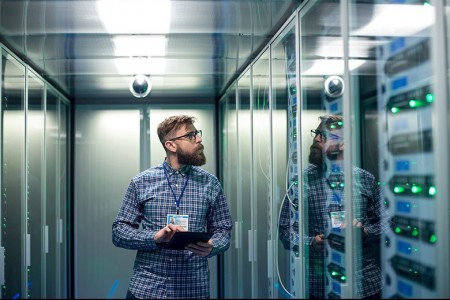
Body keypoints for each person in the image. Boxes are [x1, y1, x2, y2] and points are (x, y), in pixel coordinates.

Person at [112, 115, 233, 299]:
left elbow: (223, 230)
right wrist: (154, 237)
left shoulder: (210, 183)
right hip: (146, 289)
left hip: (193, 290)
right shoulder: (141, 182)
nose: (199, 139)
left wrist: (213, 245)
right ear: (171, 145)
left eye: (197, 133)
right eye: (191, 135)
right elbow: (119, 232)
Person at [279, 114, 389, 299]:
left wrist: (365, 232)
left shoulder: (365, 179)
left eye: (324, 135)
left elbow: (389, 223)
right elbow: (285, 231)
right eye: (316, 133)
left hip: (364, 284)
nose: (316, 139)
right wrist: (312, 243)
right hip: (320, 285)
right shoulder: (301, 182)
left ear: (343, 144)